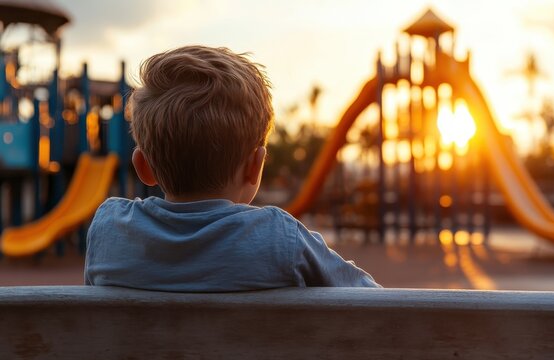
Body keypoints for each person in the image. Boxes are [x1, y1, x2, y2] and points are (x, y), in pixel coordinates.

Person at [84, 45, 380, 292]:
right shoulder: (282, 238)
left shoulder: (110, 229)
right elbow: (371, 298)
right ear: (255, 165)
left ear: (143, 167)